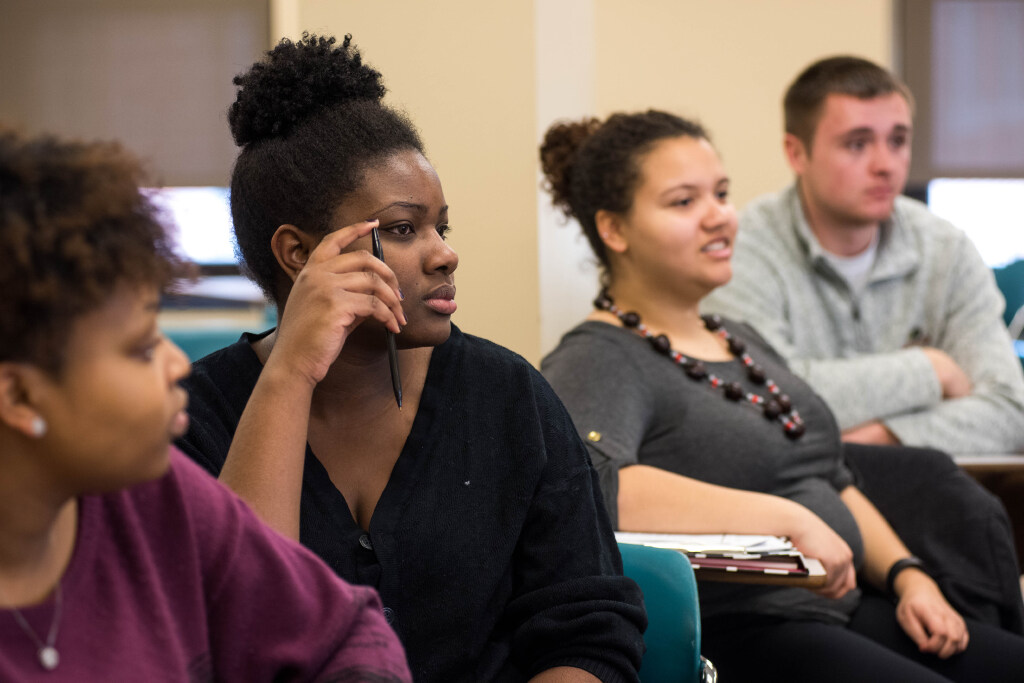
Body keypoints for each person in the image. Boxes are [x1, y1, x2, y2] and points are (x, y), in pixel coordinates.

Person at [174, 34, 644, 683]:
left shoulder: (508, 394)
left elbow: (587, 629)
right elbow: (238, 631)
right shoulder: (193, 412)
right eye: (401, 229)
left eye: (440, 228)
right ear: (295, 253)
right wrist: (289, 375)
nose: (443, 254)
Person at [538, 109, 1024, 682]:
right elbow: (593, 482)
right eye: (684, 202)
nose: (719, 216)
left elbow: (827, 472)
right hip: (746, 630)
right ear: (615, 230)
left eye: (721, 193)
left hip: (846, 607)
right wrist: (783, 518)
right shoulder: (599, 355)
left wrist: (907, 576)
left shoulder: (739, 339)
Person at [0, 129, 412, 681]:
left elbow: (343, 630)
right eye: (142, 348)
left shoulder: (158, 499)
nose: (175, 365)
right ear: (20, 395)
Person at [701, 55, 1024, 454]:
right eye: (857, 144)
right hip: (794, 503)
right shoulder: (741, 250)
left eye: (898, 141)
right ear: (796, 153)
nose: (885, 165)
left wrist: (881, 438)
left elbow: (1011, 411)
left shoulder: (945, 249)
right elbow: (759, 402)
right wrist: (930, 369)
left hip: (933, 491)